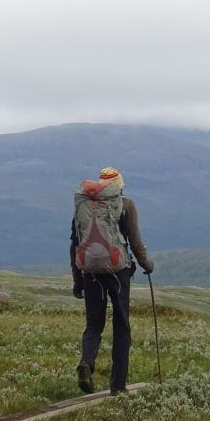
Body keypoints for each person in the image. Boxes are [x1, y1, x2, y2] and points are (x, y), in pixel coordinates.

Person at [70, 167, 154, 394]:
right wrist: (147, 265)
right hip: (118, 273)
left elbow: (75, 244)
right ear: (119, 185)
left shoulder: (84, 205)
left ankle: (86, 363)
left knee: (94, 324)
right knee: (121, 327)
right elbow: (135, 242)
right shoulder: (125, 205)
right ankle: (118, 386)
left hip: (90, 273)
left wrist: (78, 281)